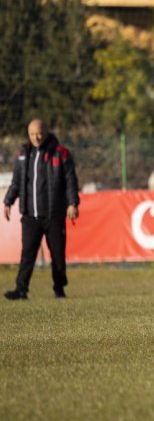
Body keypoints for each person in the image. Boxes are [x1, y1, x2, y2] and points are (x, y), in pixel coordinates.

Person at [4, 119, 80, 300]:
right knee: (27, 254)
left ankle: (59, 289)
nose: (35, 137)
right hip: (30, 215)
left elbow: (70, 181)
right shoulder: (23, 154)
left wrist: (72, 203)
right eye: (31, 134)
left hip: (54, 214)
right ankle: (21, 290)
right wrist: (8, 201)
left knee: (57, 254)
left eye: (38, 133)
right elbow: (17, 182)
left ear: (46, 132)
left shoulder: (61, 153)